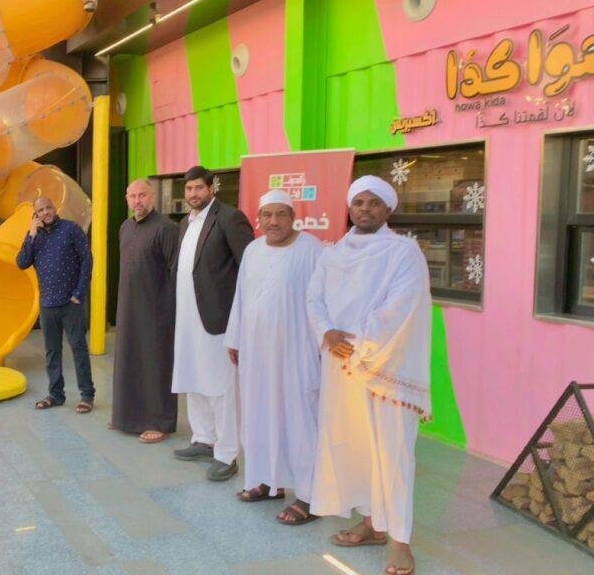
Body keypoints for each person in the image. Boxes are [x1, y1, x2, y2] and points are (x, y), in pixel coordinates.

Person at [307, 175, 431, 575]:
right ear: (349, 207)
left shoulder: (403, 252)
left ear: (388, 209)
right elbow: (314, 297)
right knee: (355, 448)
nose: (364, 209)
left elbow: (402, 306)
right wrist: (327, 332)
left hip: (384, 367)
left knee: (392, 453)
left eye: (373, 203)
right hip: (339, 365)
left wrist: (358, 342)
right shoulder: (332, 254)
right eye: (358, 202)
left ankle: (400, 542)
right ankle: (373, 524)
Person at [224, 189, 323, 524]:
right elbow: (241, 296)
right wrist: (235, 338)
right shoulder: (253, 250)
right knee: (259, 414)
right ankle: (267, 481)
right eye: (267, 215)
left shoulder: (311, 250)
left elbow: (324, 300)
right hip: (256, 352)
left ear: (293, 217)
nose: (274, 221)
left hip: (297, 352)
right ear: (259, 219)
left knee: (299, 420)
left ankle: (309, 496)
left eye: (281, 214)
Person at [171, 165, 254, 482]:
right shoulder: (185, 222)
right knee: (193, 378)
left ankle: (227, 454)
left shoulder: (230, 218)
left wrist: (242, 317)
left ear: (211, 188)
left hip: (218, 318)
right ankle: (204, 439)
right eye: (189, 189)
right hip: (188, 318)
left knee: (221, 386)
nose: (193, 194)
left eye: (199, 188)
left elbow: (249, 266)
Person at [111, 179, 179, 443]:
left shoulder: (166, 228)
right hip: (128, 308)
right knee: (129, 360)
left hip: (156, 311)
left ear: (152, 197)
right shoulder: (125, 227)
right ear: (127, 199)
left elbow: (175, 273)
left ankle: (160, 422)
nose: (137, 201)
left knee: (156, 365)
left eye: (142, 195)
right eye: (132, 196)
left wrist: (170, 311)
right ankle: (126, 417)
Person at [16, 196, 95, 414]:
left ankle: (87, 396)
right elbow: (21, 263)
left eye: (48, 208)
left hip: (71, 303)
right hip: (48, 304)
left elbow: (87, 260)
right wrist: (31, 234)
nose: (45, 212)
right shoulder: (35, 236)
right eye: (40, 210)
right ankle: (56, 395)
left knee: (78, 349)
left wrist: (79, 292)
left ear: (55, 208)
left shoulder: (71, 229)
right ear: (36, 214)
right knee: (52, 352)